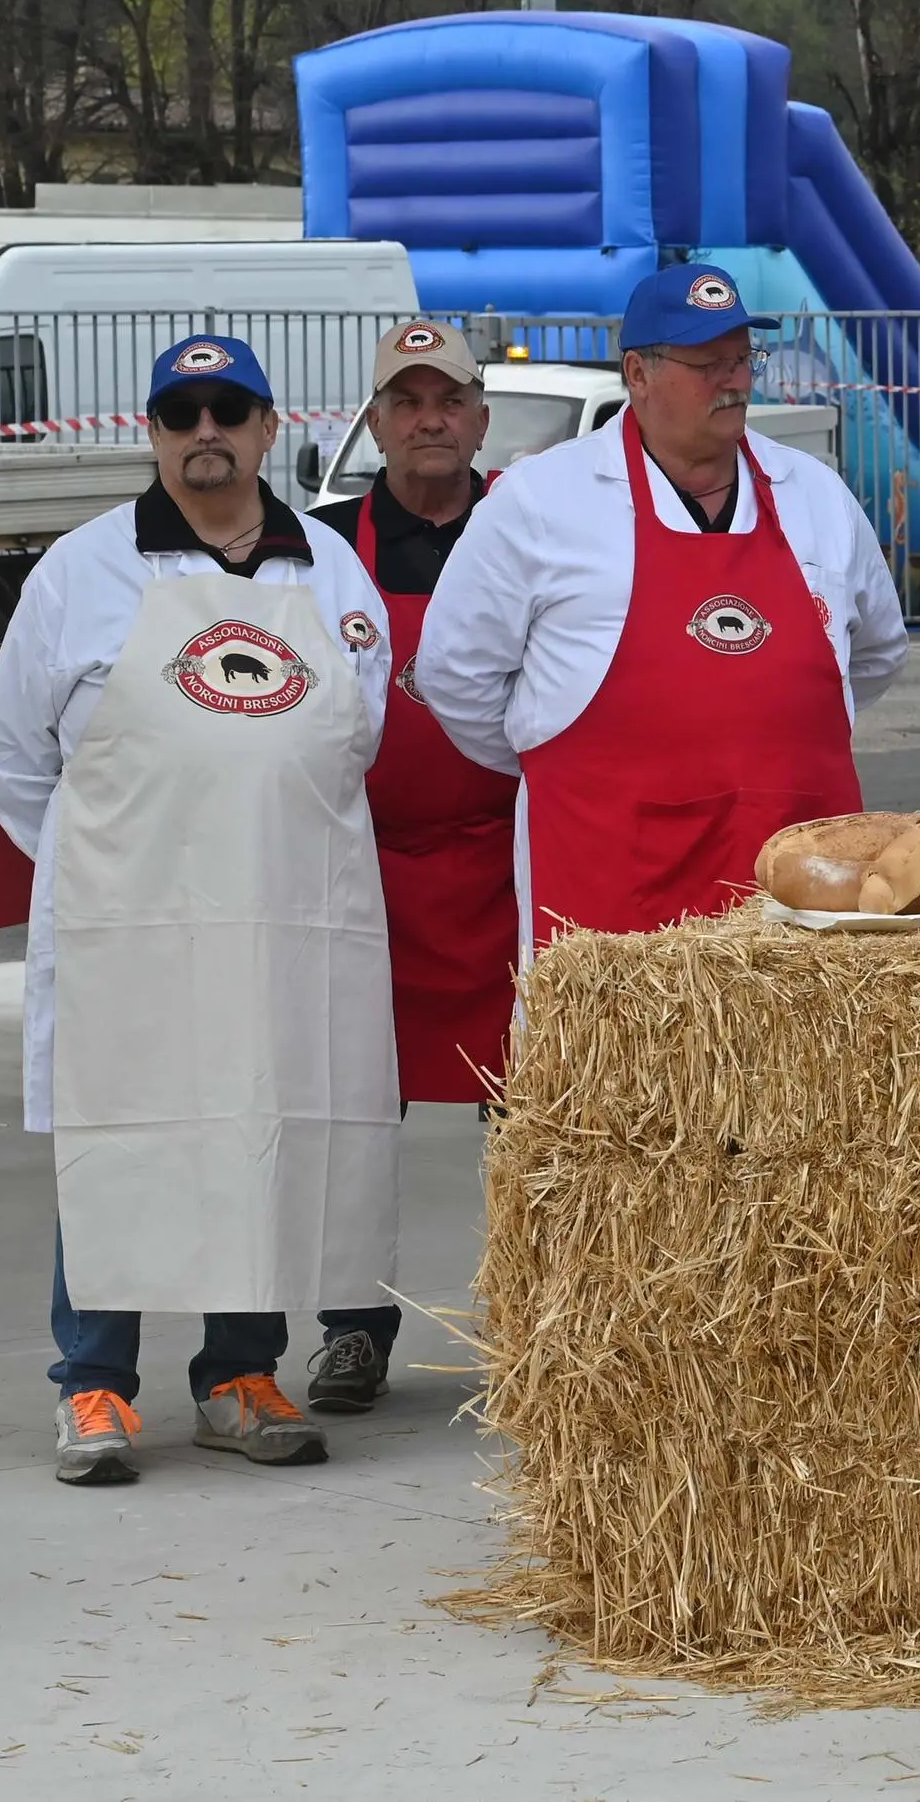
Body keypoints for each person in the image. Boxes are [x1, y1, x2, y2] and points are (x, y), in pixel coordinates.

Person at [0, 334, 398, 1485]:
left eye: (229, 410)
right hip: (134, 928)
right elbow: (12, 756)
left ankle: (239, 1375)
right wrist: (107, 872)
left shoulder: (327, 571)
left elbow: (356, 735)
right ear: (152, 433)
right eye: (181, 413)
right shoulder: (80, 572)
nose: (204, 431)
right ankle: (97, 1385)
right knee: (123, 1135)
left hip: (276, 920)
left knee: (257, 1133)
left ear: (270, 429)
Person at [413, 263, 909, 944]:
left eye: (743, 358)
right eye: (708, 362)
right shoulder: (541, 501)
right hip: (613, 915)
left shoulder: (816, 495)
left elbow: (878, 651)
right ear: (638, 374)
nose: (735, 380)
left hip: (798, 921)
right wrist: (567, 758)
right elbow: (453, 674)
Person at [290, 318, 522, 1416]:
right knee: (351, 1125)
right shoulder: (321, 548)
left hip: (510, 876)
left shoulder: (531, 533)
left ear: (481, 417)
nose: (429, 419)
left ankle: (540, 1329)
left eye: (449, 400)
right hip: (361, 879)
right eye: (405, 401)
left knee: (534, 1128)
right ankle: (351, 1331)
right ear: (377, 423)